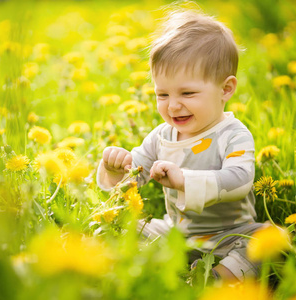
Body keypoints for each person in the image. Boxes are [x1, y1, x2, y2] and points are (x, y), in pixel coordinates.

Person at [97, 7, 263, 282]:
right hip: (175, 233)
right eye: (162, 94)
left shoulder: (233, 134)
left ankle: (217, 278)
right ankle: (159, 263)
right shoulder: (162, 135)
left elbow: (240, 180)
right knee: (122, 226)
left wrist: (184, 180)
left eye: (187, 93)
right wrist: (116, 170)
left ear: (225, 89)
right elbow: (133, 177)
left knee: (267, 239)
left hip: (229, 235)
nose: (173, 105)